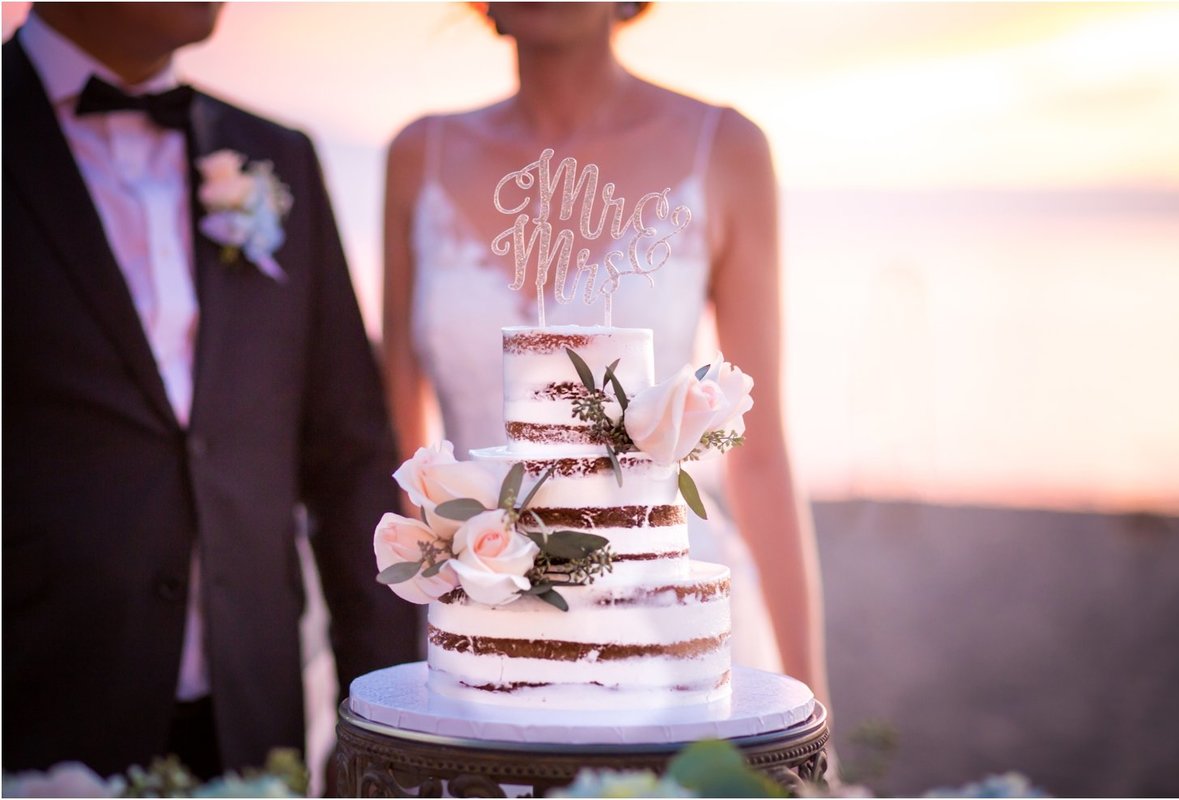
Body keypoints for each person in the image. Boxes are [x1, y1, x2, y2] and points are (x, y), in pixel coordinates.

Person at [2, 3, 418, 780]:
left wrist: (382, 730)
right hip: (33, 719)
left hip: (252, 727)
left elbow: (351, 454)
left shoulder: (276, 156)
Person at [382, 2, 831, 708]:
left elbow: (760, 449)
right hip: (474, 619)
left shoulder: (725, 147)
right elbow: (396, 440)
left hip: (666, 620)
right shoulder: (419, 156)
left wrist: (812, 714)